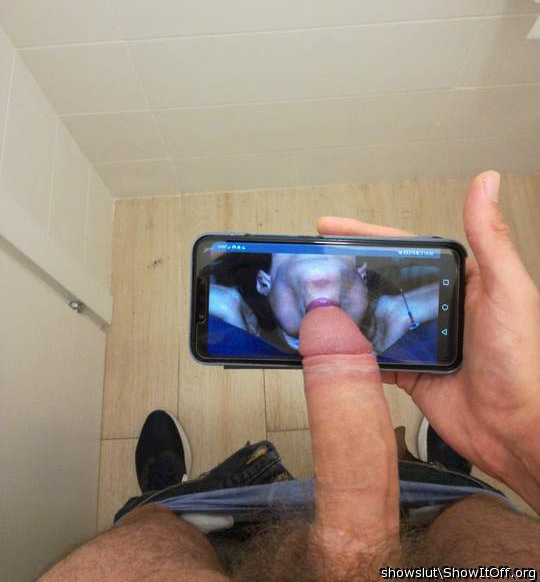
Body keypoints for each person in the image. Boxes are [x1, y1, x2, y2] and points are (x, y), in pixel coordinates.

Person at [40, 171, 540, 581]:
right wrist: (525, 435)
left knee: (143, 536)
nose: (318, 286)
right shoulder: (243, 316)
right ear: (262, 280)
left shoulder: (390, 316)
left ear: (362, 274)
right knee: (486, 529)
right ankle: (447, 480)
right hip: (437, 513)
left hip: (208, 514)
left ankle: (164, 499)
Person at [209, 251, 439, 358]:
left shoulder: (226, 255)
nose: (323, 326)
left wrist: (230, 312)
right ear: (363, 277)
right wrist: (400, 313)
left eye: (298, 340)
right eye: (341, 332)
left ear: (263, 283)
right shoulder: (402, 259)